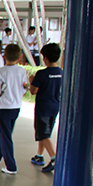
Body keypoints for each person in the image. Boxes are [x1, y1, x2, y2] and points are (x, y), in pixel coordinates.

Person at [0, 44, 29, 174]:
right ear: (19, 57)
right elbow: (24, 88)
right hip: (16, 106)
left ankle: (11, 166)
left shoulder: (0, 71)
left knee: (6, 137)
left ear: (4, 55)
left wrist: (2, 92)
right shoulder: (21, 71)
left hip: (4, 107)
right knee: (6, 133)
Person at [29, 43, 62, 173]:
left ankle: (54, 157)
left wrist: (31, 81)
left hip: (43, 108)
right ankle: (39, 155)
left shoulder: (42, 74)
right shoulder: (61, 73)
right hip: (55, 106)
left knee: (43, 134)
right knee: (45, 133)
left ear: (46, 58)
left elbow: (33, 91)